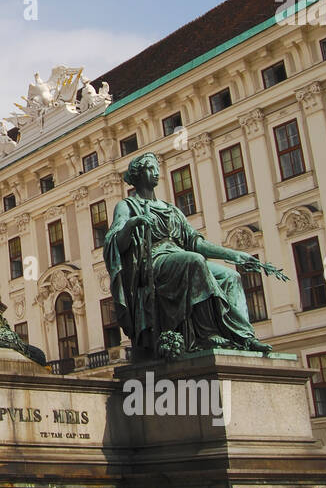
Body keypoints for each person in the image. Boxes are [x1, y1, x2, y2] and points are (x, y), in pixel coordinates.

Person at [103, 153, 285, 358]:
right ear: (137, 174)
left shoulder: (171, 210)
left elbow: (196, 243)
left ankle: (244, 336)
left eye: (156, 168)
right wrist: (132, 224)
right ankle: (208, 333)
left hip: (179, 256)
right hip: (153, 262)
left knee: (231, 277)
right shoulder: (127, 206)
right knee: (194, 261)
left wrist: (235, 255)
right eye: (149, 168)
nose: (155, 172)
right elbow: (115, 242)